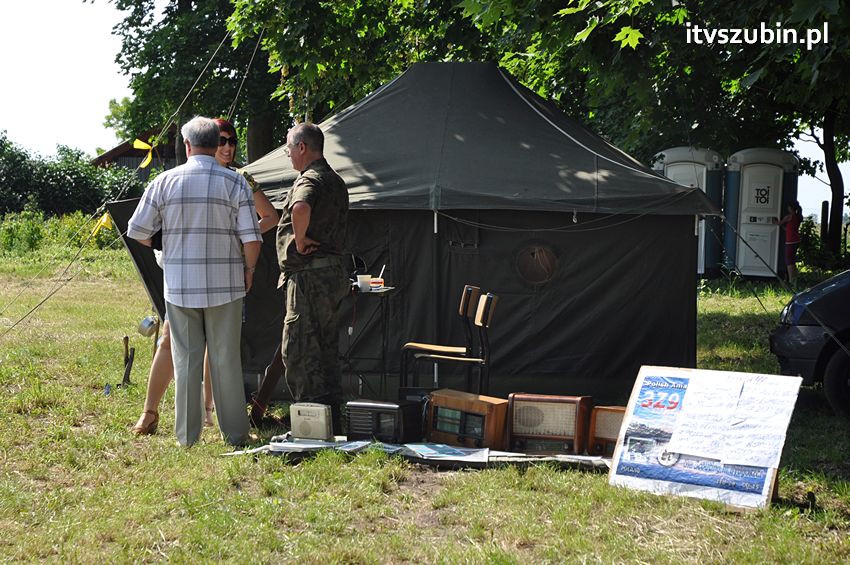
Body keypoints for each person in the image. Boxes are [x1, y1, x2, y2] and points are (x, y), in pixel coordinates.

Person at [131, 118, 279, 436]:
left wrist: (164, 243)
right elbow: (253, 237)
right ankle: (235, 434)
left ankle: (187, 435)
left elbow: (138, 231)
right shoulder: (237, 182)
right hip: (227, 284)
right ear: (215, 145)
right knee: (225, 358)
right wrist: (249, 270)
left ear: (186, 146)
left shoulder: (163, 181)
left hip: (181, 285)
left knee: (185, 358)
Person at [276, 122, 349, 433]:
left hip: (308, 278)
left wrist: (300, 239)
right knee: (327, 348)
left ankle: (310, 426)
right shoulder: (336, 181)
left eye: (290, 149)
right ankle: (333, 418)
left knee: (300, 350)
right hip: (333, 276)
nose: (289, 155)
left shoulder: (310, 179)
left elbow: (301, 205)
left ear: (302, 147)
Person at [779, 200, 802, 286]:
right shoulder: (797, 217)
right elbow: (791, 230)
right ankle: (794, 279)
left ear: (790, 208)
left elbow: (779, 223)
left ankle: (792, 281)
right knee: (792, 261)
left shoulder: (789, 217)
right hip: (796, 240)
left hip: (790, 242)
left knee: (789, 262)